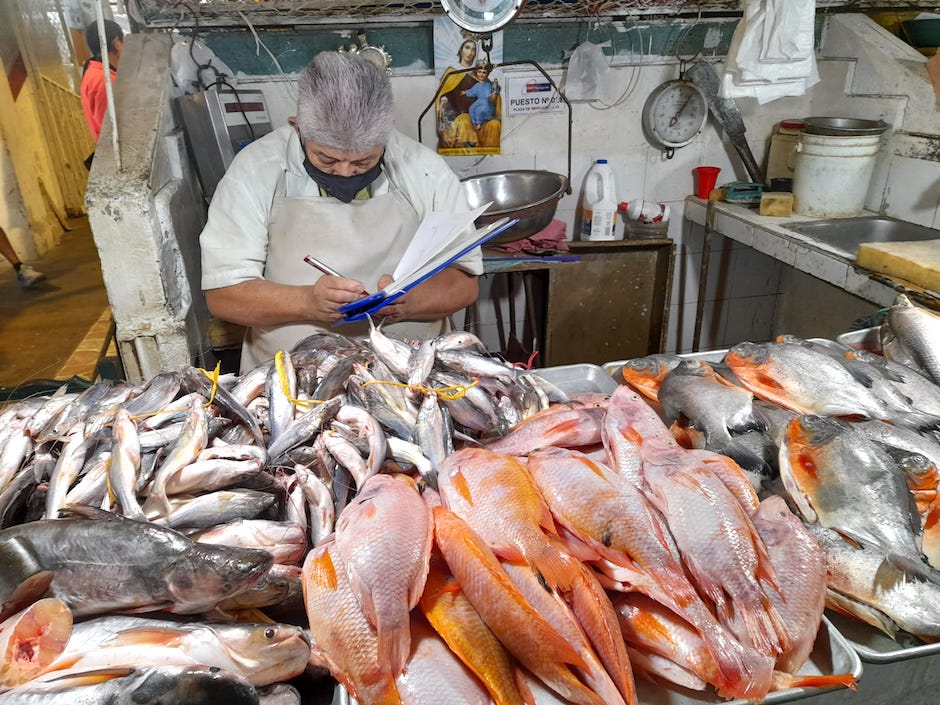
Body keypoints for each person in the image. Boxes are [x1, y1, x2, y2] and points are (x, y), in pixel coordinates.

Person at [200, 51, 483, 373]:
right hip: (292, 378)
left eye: (363, 161)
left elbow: (464, 281)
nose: (346, 173)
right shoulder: (256, 171)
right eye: (327, 159)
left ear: (385, 136)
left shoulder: (423, 169)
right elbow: (223, 294)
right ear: (297, 128)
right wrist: (307, 302)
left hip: (408, 371)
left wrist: (410, 302)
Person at [80, 19, 124, 144]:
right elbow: (114, 131)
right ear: (116, 44)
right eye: (123, 41)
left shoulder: (95, 71)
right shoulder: (105, 82)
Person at [464, 63, 500, 130]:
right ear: (476, 72)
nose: (481, 74)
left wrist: (494, 88)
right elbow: (471, 91)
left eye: (484, 72)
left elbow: (493, 96)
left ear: (487, 74)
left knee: (479, 110)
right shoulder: (477, 85)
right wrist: (465, 92)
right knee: (471, 108)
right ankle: (474, 123)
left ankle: (479, 123)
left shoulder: (491, 84)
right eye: (479, 72)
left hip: (488, 105)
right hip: (480, 102)